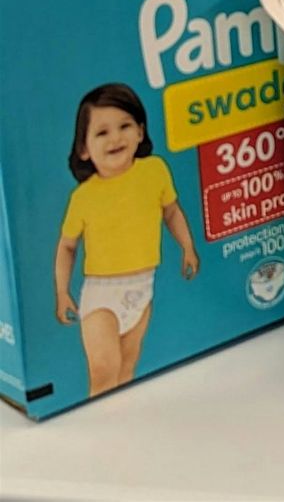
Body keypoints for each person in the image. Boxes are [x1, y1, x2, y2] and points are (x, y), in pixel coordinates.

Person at [54, 85, 199, 397]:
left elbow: (171, 211)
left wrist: (187, 247)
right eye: (102, 132)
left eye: (125, 126)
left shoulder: (155, 171)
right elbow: (67, 246)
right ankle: (98, 422)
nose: (116, 138)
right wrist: (62, 292)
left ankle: (123, 422)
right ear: (84, 149)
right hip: (101, 295)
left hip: (143, 288)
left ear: (140, 132)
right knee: (104, 371)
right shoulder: (84, 196)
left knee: (127, 369)